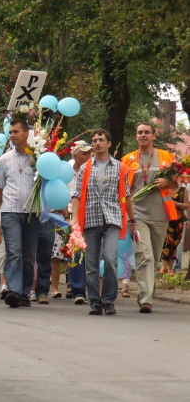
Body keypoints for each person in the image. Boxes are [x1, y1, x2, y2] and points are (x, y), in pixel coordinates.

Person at [71, 129, 135, 315]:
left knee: (109, 258)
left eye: (101, 140)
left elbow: (126, 195)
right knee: (91, 264)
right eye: (95, 140)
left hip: (113, 219)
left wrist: (132, 220)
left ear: (109, 143)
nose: (98, 143)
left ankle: (108, 300)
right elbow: (76, 195)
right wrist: (74, 218)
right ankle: (95, 301)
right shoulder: (86, 168)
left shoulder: (119, 167)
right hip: (91, 219)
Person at [121, 122, 176, 314]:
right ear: (136, 137)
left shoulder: (166, 157)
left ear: (154, 135)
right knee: (144, 255)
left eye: (146, 132)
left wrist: (167, 181)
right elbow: (122, 189)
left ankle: (148, 294)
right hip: (137, 216)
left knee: (153, 257)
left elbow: (178, 183)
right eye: (139, 133)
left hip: (161, 215)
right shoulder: (127, 160)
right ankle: (145, 299)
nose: (143, 135)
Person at [0, 119, 40, 308]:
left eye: (15, 131)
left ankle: (25, 292)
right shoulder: (4, 159)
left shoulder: (37, 157)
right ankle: (14, 291)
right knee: (14, 252)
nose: (11, 135)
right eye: (10, 132)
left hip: (32, 213)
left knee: (28, 256)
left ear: (26, 133)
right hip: (10, 211)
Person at [64, 140, 92, 304]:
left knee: (92, 254)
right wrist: (67, 217)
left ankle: (92, 288)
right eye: (84, 153)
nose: (88, 156)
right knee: (75, 252)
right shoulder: (66, 172)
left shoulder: (93, 169)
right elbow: (61, 193)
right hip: (71, 215)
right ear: (75, 155)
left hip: (91, 215)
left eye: (89, 153)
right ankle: (78, 290)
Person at [159, 179, 189, 275]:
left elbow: (187, 205)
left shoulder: (183, 190)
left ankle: (170, 269)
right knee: (166, 242)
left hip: (177, 221)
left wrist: (177, 204)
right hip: (165, 220)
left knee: (175, 244)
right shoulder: (163, 189)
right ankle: (163, 267)